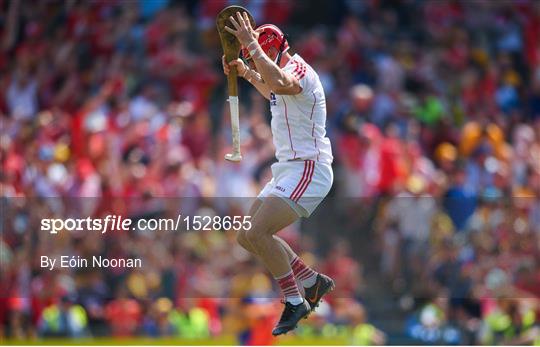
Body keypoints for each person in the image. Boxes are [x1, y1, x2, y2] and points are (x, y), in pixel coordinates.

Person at [222, 12, 335, 336]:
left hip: (309, 168)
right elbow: (272, 90)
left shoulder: (297, 69)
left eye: (258, 57)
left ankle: (295, 300)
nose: (256, 64)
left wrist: (251, 49)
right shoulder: (276, 74)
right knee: (246, 236)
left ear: (271, 50)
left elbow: (281, 83)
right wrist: (245, 73)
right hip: (289, 168)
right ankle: (312, 282)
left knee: (258, 233)